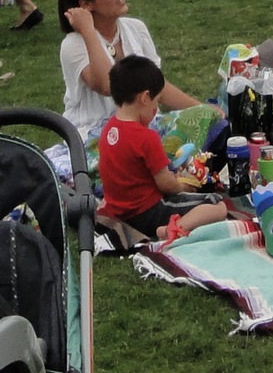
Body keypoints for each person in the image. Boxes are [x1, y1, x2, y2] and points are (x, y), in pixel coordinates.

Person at [55, 0, 204, 139]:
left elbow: (156, 85)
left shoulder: (136, 28)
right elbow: (107, 85)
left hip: (143, 125)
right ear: (86, 4)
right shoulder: (73, 44)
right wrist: (88, 31)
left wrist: (201, 109)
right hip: (97, 134)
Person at [96, 56, 229, 244]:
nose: (155, 109)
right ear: (145, 97)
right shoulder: (146, 137)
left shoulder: (108, 130)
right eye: (156, 102)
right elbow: (167, 186)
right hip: (147, 212)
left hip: (119, 212)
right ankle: (171, 229)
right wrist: (185, 185)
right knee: (216, 204)